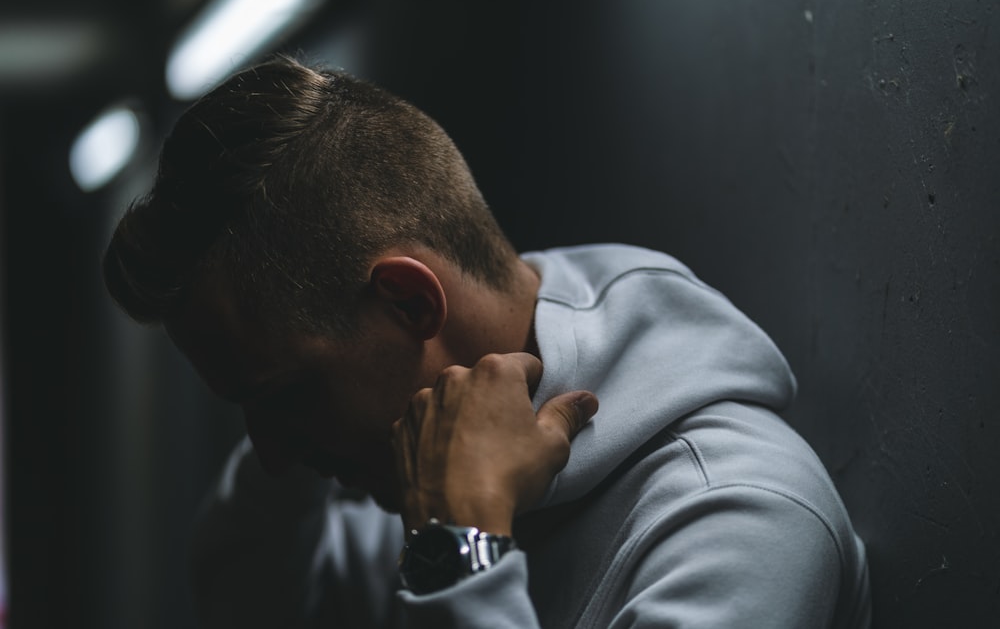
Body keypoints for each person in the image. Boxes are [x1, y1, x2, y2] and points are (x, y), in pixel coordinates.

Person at [103, 54, 871, 628]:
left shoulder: (738, 521)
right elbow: (250, 610)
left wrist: (457, 547)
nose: (269, 454)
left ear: (409, 301)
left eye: (287, 395)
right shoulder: (407, 478)